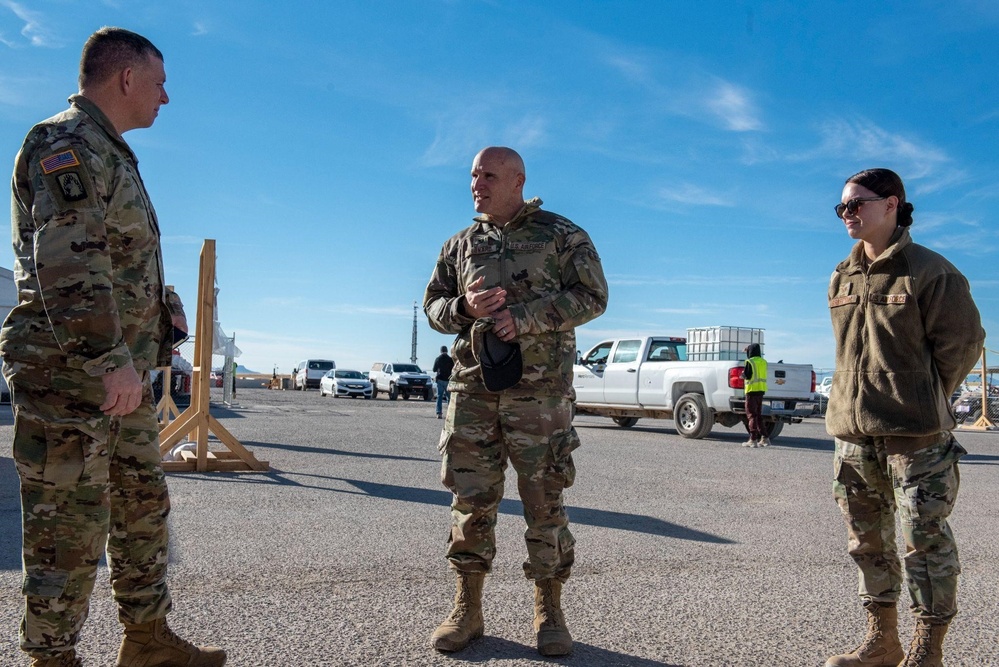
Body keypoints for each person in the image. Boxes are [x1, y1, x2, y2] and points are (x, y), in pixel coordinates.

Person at [1, 28, 226, 667]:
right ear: (125, 79)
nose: (166, 97)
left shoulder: (111, 150)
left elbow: (112, 260)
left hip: (118, 374)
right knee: (68, 525)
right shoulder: (65, 142)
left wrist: (159, 314)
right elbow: (68, 262)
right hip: (73, 374)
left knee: (141, 505)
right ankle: (53, 657)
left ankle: (146, 639)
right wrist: (108, 360)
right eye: (159, 82)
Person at [423, 146, 608, 656]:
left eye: (487, 174)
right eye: (473, 175)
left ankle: (549, 610)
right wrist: (464, 306)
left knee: (544, 501)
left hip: (540, 395)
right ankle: (468, 607)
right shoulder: (460, 244)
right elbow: (432, 306)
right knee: (470, 502)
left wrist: (525, 318)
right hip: (472, 390)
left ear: (517, 179)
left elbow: (594, 297)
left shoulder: (560, 234)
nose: (475, 183)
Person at [824, 168, 984, 667]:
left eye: (857, 204)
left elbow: (962, 345)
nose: (848, 214)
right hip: (852, 433)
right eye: (842, 207)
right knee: (867, 543)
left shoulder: (931, 271)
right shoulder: (842, 273)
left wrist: (925, 396)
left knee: (924, 544)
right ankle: (882, 641)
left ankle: (928, 650)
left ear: (892, 205)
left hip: (915, 436)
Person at [741, 342, 768, 447]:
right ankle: (765, 438)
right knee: (758, 415)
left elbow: (747, 375)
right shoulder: (763, 362)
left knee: (751, 415)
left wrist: (742, 375)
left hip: (751, 391)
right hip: (761, 390)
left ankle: (753, 439)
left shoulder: (750, 361)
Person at [432, 345, 454, 419]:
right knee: (449, 397)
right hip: (448, 380)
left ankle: (439, 413)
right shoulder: (450, 359)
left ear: (441, 351)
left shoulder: (438, 359)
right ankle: (450, 414)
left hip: (440, 379)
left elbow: (434, 369)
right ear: (447, 351)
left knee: (439, 397)